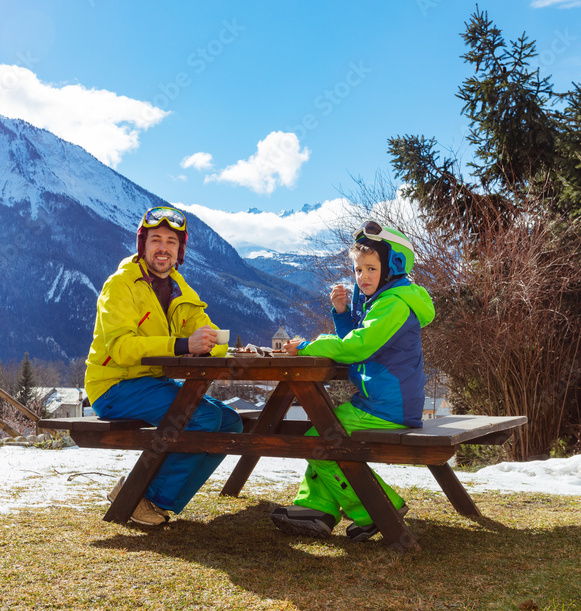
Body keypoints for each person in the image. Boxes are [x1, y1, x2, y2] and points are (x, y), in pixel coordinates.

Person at [271, 221, 435, 541]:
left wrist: (306, 347)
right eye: (358, 270)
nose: (363, 277)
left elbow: (357, 347)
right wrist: (342, 312)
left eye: (371, 269)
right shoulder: (383, 301)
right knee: (322, 430)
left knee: (320, 438)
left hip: (387, 407)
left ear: (394, 266)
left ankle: (376, 508)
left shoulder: (394, 304)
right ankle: (316, 507)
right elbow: (357, 343)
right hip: (377, 402)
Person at [84, 206, 243, 525]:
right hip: (115, 386)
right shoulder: (120, 286)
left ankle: (157, 500)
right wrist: (183, 345)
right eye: (155, 239)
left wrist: (209, 344)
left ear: (179, 250)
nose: (163, 248)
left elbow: (211, 333)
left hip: (154, 383)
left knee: (229, 423)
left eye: (171, 242)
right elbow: (120, 348)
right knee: (202, 416)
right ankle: (143, 497)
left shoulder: (178, 289)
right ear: (142, 245)